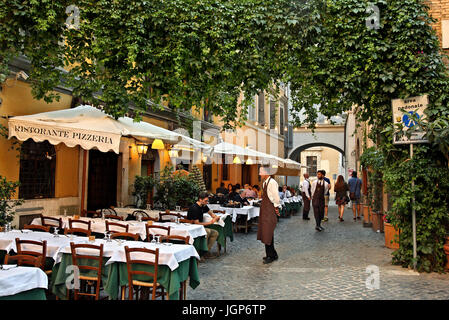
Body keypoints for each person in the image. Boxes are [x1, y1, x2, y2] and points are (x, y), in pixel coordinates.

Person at [257, 166, 281, 264]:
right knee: (266, 232)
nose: (259, 174)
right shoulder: (265, 182)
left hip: (269, 209)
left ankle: (270, 256)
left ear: (266, 172)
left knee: (268, 232)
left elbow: (276, 197)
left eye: (261, 172)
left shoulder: (272, 182)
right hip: (265, 210)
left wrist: (276, 207)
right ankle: (272, 254)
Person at [187, 192, 220, 258]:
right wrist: (210, 222)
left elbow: (211, 214)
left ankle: (206, 251)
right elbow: (197, 223)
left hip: (200, 227)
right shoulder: (194, 208)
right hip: (193, 228)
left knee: (215, 233)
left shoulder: (203, 205)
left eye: (207, 201)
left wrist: (216, 217)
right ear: (200, 199)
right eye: (205, 201)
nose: (207, 202)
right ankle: (201, 253)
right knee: (207, 232)